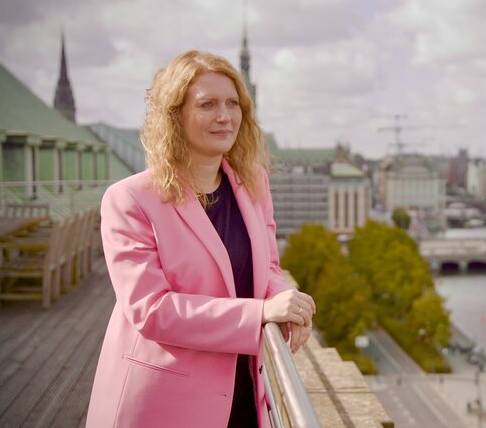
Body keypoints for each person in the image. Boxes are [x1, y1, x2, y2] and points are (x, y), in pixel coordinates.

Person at [86, 50, 316, 428]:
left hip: (244, 390)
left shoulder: (253, 183)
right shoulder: (130, 199)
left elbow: (268, 265)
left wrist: (288, 302)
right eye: (207, 104)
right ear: (175, 115)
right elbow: (152, 310)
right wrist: (259, 313)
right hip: (166, 400)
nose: (224, 116)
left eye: (232, 103)